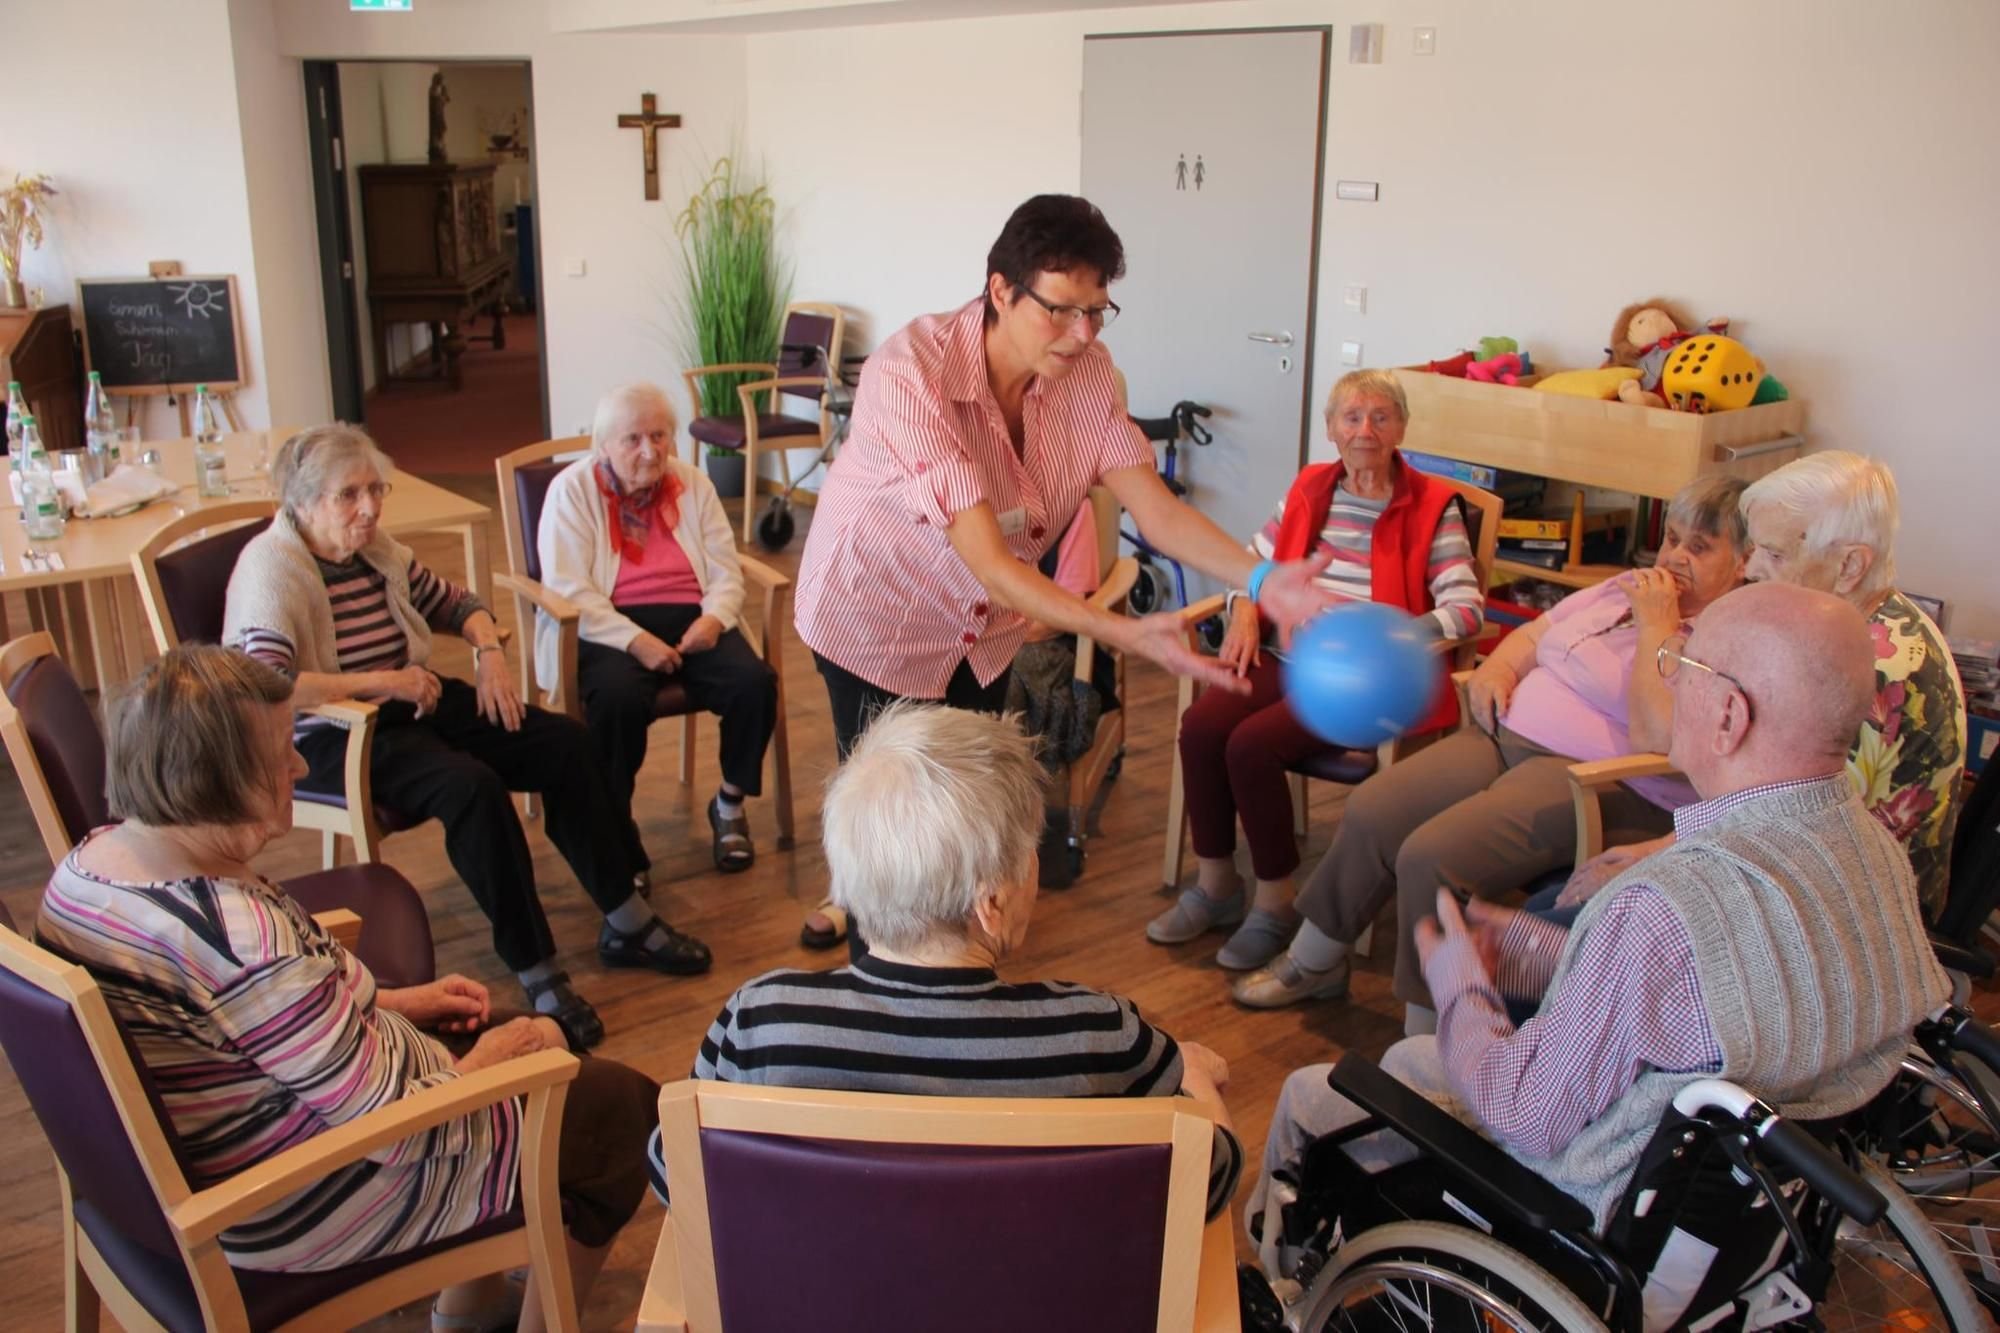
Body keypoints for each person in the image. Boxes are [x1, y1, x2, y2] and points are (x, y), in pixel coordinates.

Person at [1247, 583, 1951, 1314]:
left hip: (1588, 1218)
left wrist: (1460, 984)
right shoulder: (1873, 851)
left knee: (1316, 1092)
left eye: (1682, 661)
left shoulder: (1664, 906)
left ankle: (1285, 1280)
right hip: (1745, 1214)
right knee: (1405, 1060)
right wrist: (1520, 948)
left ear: (1731, 715)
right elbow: (1701, 996)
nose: (1665, 676)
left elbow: (1525, 1112)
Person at [34, 645, 659, 1332]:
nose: (300, 765)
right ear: (214, 779)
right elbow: (398, 1134)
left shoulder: (86, 871)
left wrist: (395, 1002)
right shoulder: (242, 942)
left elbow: (248, 1026)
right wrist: (511, 1050)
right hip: (300, 1198)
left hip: (235, 1143)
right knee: (619, 1113)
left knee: (497, 1032)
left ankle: (469, 1309)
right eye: (279, 753)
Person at [792, 194, 1338, 947]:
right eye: (1060, 310)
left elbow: (1158, 512)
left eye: (1097, 312)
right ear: (1000, 290)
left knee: (969, 816)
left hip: (978, 630)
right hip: (876, 613)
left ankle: (962, 978)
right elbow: (985, 560)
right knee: (897, 832)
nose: (1081, 334)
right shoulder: (909, 374)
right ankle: (882, 979)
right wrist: (1123, 630)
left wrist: (1260, 577)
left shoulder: (1083, 372)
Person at [644, 703, 1244, 1220]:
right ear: (992, 900)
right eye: (1030, 852)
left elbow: (677, 1175)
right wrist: (1193, 1078)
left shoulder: (761, 1023)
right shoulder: (1098, 1037)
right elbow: (1206, 1185)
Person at [225, 424, 710, 1050]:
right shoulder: (274, 568)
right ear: (304, 501)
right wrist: (388, 682)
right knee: (474, 789)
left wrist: (488, 650)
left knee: (566, 744)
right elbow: (265, 684)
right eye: (349, 495)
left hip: (413, 701)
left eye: (376, 490)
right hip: (336, 737)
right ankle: (538, 970)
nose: (369, 508)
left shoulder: (376, 550)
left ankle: (625, 919)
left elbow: (459, 602)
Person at [1231, 474, 1750, 1022]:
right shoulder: (1626, 585)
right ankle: (1317, 960)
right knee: (1374, 808)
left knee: (1434, 854)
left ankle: (1431, 1033)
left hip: (1591, 777)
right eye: (1671, 538)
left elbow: (1655, 737)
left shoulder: (1721, 637)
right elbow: (1534, 634)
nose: (1674, 557)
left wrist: (1656, 625)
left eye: (1699, 547)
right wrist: (1498, 669)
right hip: (1504, 733)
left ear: (1744, 561)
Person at [1148, 368, 1485, 970]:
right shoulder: (1309, 489)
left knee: (1250, 745)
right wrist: (1244, 609)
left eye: (1381, 417)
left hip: (1364, 683)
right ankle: (1218, 885)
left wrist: (1384, 643)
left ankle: (1276, 901)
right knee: (1203, 727)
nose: (1365, 431)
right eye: (1352, 417)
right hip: (1286, 655)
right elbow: (1250, 563)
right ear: (1330, 429)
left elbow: (1465, 608)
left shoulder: (1435, 505)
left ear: (1401, 428)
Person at [1565, 451, 1967, 919]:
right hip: (1795, 871)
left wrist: (1653, 858)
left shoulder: (1868, 667)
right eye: (1755, 549)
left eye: (1775, 554)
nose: (1753, 570)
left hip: (1846, 913)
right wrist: (1656, 848)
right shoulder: (1870, 621)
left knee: (1584, 921)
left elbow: (1786, 830)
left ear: (1851, 566)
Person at [534, 383, 779, 877]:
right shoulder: (572, 491)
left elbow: (726, 569)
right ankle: (616, 828)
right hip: (604, 624)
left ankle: (729, 804)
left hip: (691, 613)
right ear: (602, 444)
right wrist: (635, 641)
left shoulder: (693, 484)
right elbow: (568, 588)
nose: (650, 450)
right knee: (618, 702)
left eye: (659, 435)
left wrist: (713, 619)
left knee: (755, 684)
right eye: (632, 439)